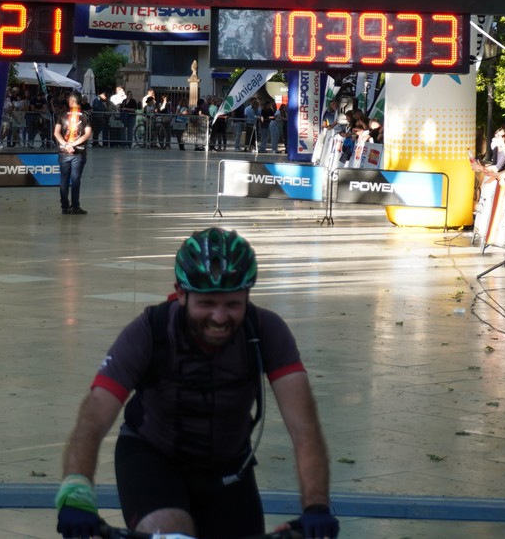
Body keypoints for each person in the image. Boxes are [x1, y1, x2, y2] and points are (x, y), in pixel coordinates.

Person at [54, 228, 338, 539]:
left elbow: (304, 427)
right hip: (153, 457)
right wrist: (76, 490)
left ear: (247, 296)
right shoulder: (150, 331)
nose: (220, 317)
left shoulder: (266, 331)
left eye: (232, 304)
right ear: (180, 294)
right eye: (207, 303)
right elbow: (93, 417)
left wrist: (316, 506)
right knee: (171, 531)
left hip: (228, 467)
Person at [54, 93, 92, 215]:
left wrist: (66, 145)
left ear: (71, 101)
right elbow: (87, 133)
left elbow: (56, 132)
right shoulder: (85, 115)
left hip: (64, 151)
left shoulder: (63, 114)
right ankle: (75, 206)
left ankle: (64, 207)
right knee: (75, 179)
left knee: (64, 179)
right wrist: (74, 144)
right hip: (78, 151)